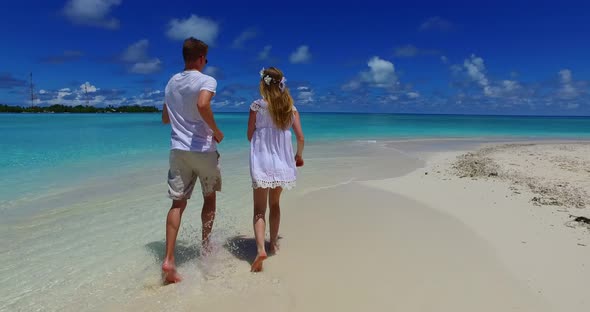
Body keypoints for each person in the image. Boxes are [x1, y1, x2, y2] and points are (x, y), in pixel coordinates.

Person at [160, 37, 224, 283]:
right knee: (209, 199)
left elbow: (166, 118)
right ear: (200, 58)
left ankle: (169, 260)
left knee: (177, 204)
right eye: (206, 59)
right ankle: (206, 249)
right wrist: (216, 131)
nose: (206, 62)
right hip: (204, 149)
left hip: (178, 149)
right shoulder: (207, 80)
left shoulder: (171, 82)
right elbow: (203, 103)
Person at [247, 67, 305, 272]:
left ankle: (261, 249)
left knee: (259, 209)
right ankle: (273, 243)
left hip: (262, 161)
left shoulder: (257, 106)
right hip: (282, 161)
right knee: (275, 204)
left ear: (263, 83)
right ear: (281, 83)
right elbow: (300, 137)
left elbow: (249, 135)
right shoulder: (290, 108)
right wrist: (298, 156)